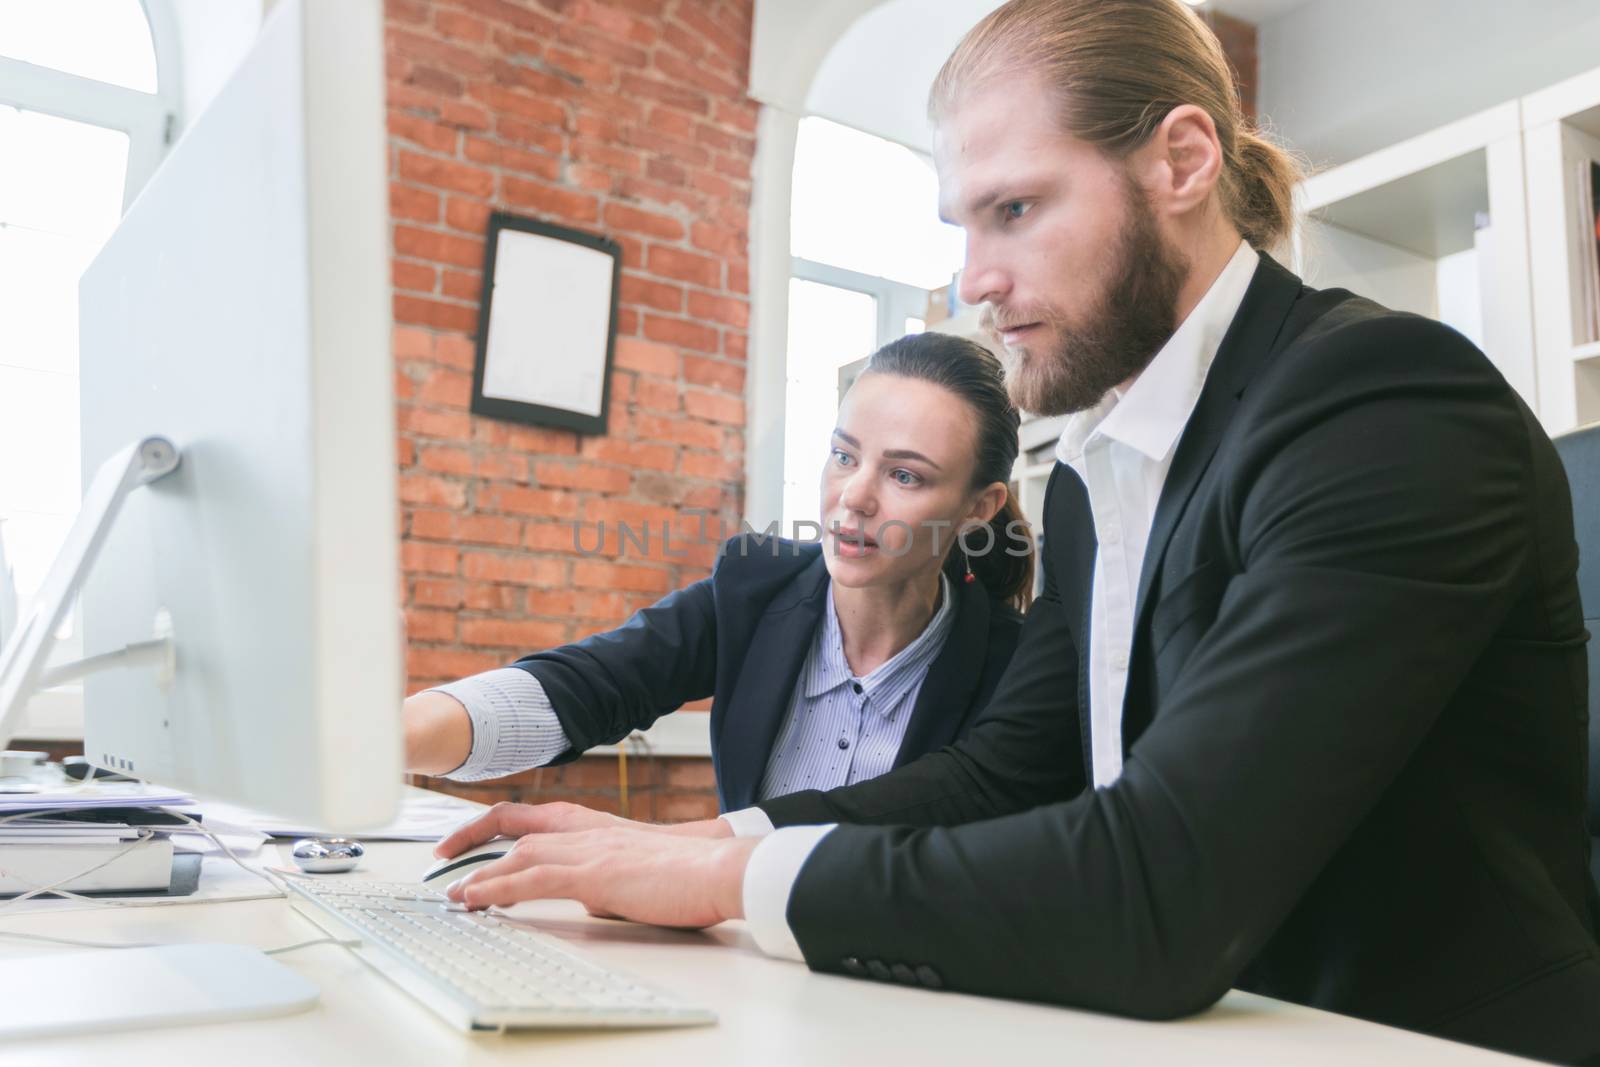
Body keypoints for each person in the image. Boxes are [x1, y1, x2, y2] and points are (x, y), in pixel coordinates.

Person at [430, 0, 1600, 1061]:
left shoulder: (1379, 402)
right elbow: (1004, 776)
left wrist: (730, 871)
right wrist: (697, 850)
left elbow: (1165, 886)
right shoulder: (1094, 480)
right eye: (962, 224)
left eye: (1016, 210)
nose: (974, 281)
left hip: (1404, 1037)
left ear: (1181, 162)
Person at [402, 332, 1035, 813]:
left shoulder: (1021, 670)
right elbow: (584, 687)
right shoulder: (755, 589)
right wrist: (380, 738)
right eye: (844, 456)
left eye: (904, 475)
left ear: (978, 508)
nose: (854, 497)